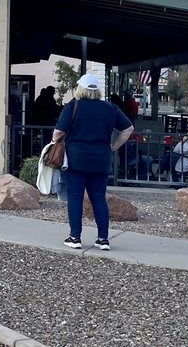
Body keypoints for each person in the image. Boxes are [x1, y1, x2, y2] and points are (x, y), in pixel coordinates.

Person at [53, 73, 134, 251]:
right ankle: (103, 239)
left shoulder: (73, 106)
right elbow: (128, 128)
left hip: (76, 159)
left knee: (75, 198)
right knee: (99, 199)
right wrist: (114, 146)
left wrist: (55, 142)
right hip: (101, 160)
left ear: (80, 88)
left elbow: (58, 132)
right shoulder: (110, 108)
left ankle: (75, 237)